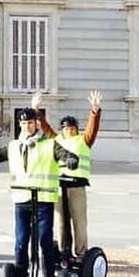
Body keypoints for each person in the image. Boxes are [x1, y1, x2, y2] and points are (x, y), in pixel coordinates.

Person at [0, 107, 78, 277]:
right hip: (21, 199)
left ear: (36, 124)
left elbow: (64, 154)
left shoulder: (50, 144)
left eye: (30, 123)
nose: (27, 126)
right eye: (24, 123)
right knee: (21, 242)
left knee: (44, 240)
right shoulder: (13, 146)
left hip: (44, 199)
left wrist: (70, 160)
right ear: (19, 124)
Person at [38, 91, 102, 261]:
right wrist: (36, 109)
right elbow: (44, 127)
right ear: (62, 129)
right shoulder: (56, 139)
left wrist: (95, 111)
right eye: (66, 128)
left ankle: (81, 254)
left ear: (76, 129)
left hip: (77, 185)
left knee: (79, 222)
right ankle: (62, 252)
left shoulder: (84, 140)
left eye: (72, 128)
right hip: (59, 185)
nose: (69, 130)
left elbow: (92, 128)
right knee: (60, 222)